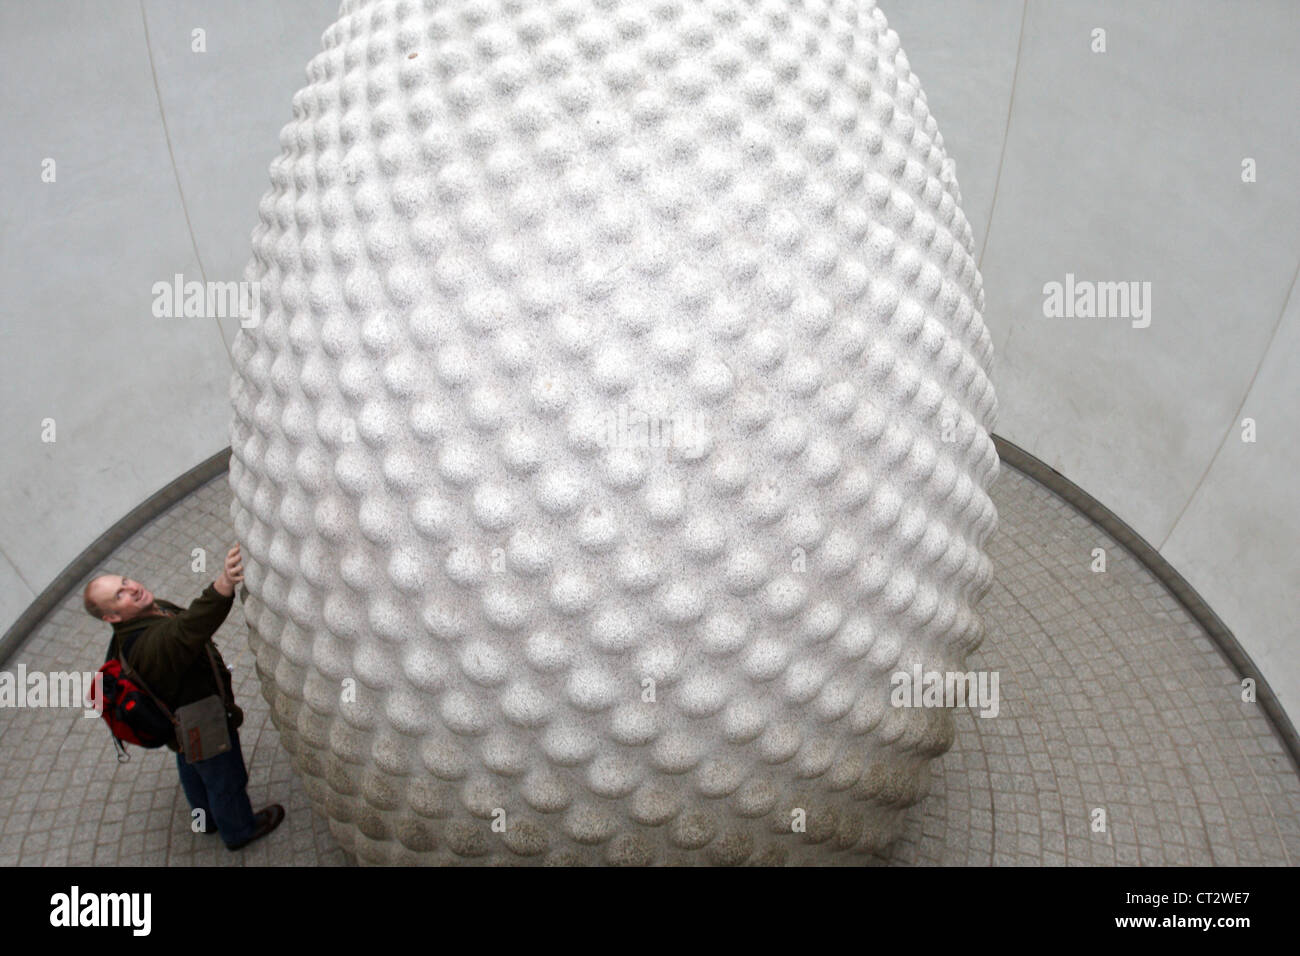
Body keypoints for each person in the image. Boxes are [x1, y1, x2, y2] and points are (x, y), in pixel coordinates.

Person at [83, 543, 284, 851]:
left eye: (125, 581)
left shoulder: (145, 613)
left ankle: (205, 817)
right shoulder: (149, 646)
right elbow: (189, 628)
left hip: (179, 726)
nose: (132, 589)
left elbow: (184, 622)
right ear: (111, 616)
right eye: (120, 595)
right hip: (201, 723)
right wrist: (225, 583)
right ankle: (239, 831)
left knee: (190, 760)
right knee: (226, 779)